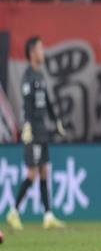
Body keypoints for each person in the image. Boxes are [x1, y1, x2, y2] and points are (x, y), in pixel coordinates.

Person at [6, 36, 66, 230]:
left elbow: (46, 100)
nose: (43, 51)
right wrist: (26, 125)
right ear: (32, 52)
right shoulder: (28, 77)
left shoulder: (39, 75)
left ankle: (48, 215)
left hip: (42, 130)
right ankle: (13, 212)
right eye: (40, 48)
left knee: (44, 170)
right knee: (32, 172)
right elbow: (26, 104)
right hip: (32, 130)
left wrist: (56, 120)